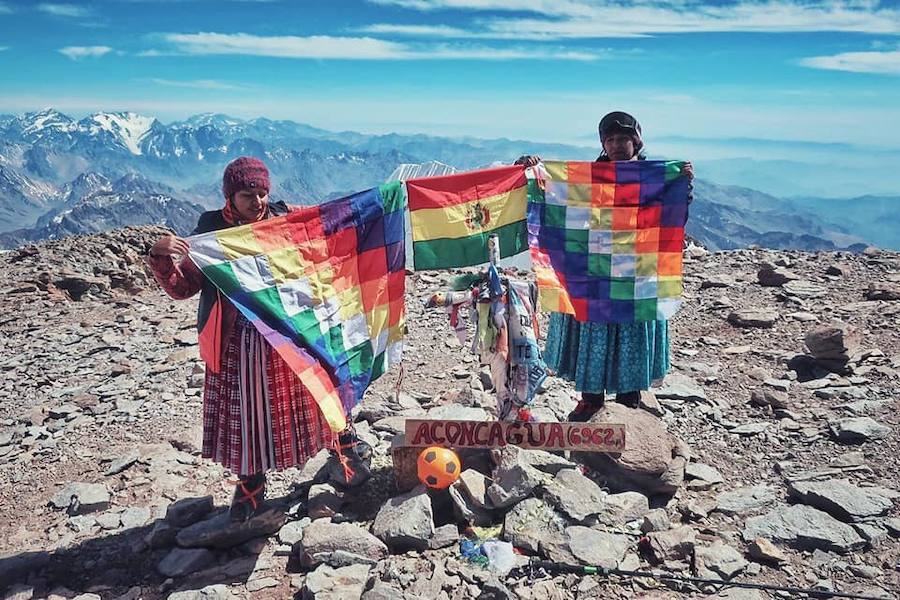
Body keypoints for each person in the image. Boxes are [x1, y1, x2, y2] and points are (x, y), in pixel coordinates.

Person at [147, 156, 369, 521]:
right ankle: (252, 484)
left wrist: (375, 207)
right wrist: (160, 255)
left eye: (262, 192)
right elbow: (184, 287)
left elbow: (328, 221)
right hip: (237, 340)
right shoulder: (210, 232)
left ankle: (344, 445)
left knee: (314, 386)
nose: (258, 201)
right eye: (248, 194)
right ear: (230, 196)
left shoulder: (282, 219)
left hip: (287, 328)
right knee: (247, 411)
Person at [517, 111, 693, 422]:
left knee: (630, 332)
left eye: (623, 138)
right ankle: (591, 400)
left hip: (636, 271)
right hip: (595, 269)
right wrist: (533, 170)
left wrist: (681, 185)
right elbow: (555, 199)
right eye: (609, 139)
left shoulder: (652, 178)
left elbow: (670, 218)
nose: (616, 145)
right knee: (595, 332)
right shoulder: (589, 178)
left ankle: (628, 403)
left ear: (636, 141)